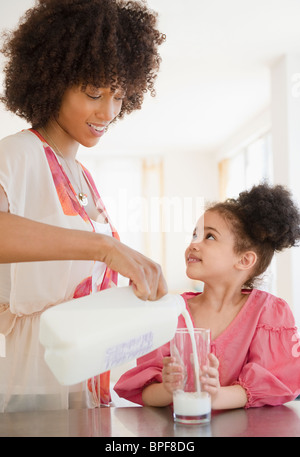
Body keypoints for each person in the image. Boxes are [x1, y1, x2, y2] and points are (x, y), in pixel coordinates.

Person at [0, 0, 167, 412]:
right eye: (94, 93)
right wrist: (106, 248)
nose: (107, 112)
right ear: (52, 80)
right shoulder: (18, 154)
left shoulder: (81, 175)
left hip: (85, 372)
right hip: (36, 374)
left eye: (118, 96)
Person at [114, 183, 300, 409]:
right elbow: (146, 394)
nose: (193, 244)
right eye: (195, 234)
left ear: (244, 260)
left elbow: (272, 387)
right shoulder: (170, 313)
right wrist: (168, 388)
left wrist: (216, 396)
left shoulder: (269, 313)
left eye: (209, 237)